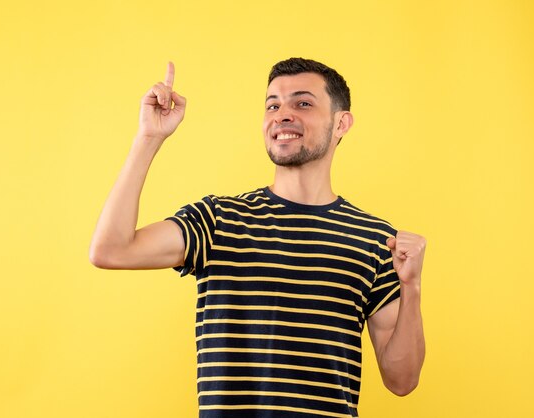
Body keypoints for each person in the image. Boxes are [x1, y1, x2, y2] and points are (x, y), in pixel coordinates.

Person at [90, 58, 426, 418]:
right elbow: (112, 249)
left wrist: (413, 288)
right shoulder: (218, 221)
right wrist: (148, 138)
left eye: (303, 103)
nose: (282, 114)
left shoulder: (375, 241)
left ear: (341, 123)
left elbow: (401, 380)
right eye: (273, 105)